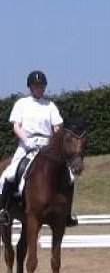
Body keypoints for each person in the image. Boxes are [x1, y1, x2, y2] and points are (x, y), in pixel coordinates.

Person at [0, 70, 78, 226]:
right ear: (30, 87)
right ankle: (4, 210)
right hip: (26, 144)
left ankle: (67, 214)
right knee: (7, 175)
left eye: (41, 85)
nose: (39, 88)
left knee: (69, 176)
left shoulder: (50, 106)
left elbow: (57, 127)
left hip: (47, 145)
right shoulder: (21, 103)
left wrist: (53, 142)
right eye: (36, 85)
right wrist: (26, 140)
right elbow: (16, 126)